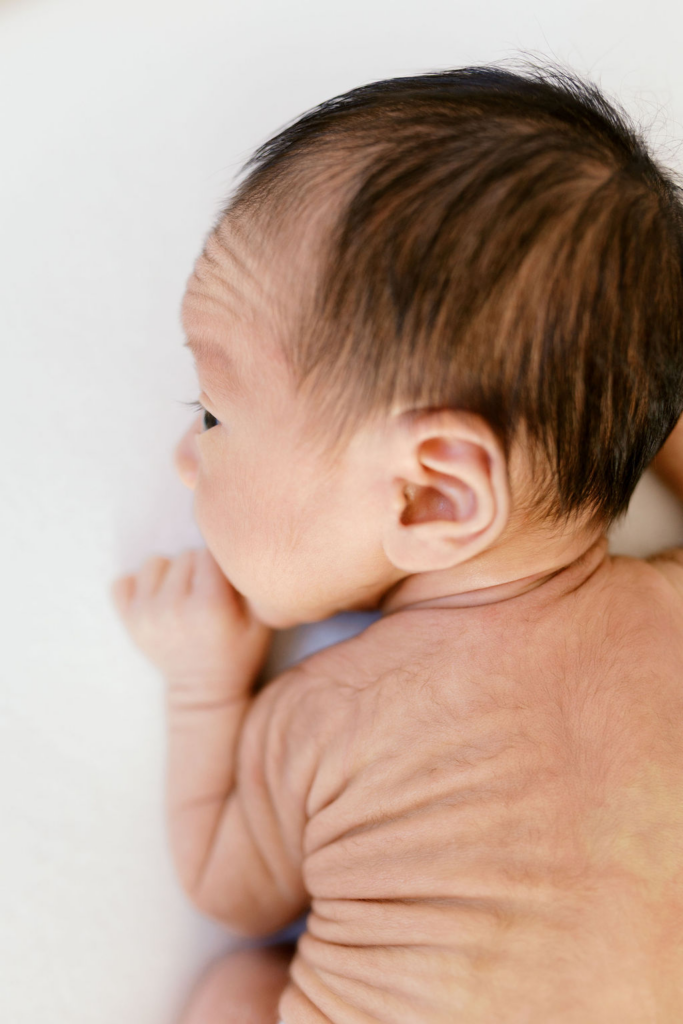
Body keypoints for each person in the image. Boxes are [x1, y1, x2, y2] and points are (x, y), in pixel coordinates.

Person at [110, 61, 683, 1022]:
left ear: (428, 495)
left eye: (210, 414)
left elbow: (228, 887)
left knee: (235, 987)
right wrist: (625, 396)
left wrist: (204, 681)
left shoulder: (328, 714)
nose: (182, 456)